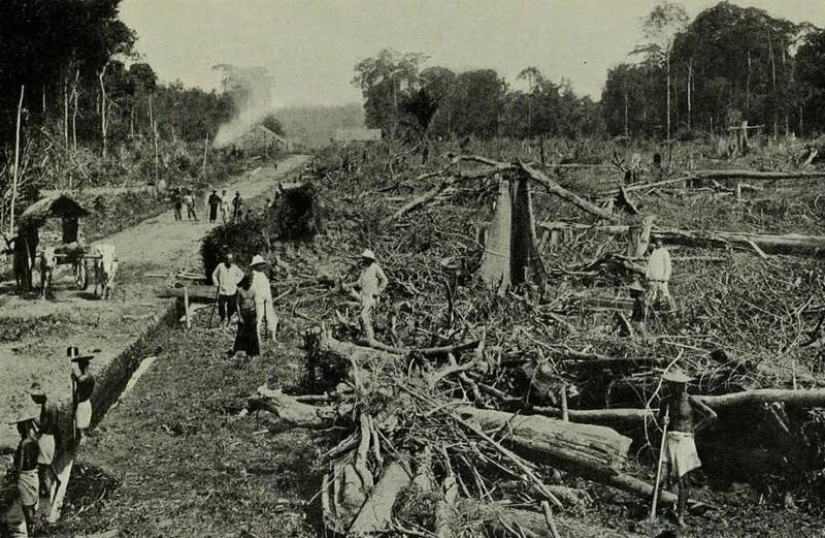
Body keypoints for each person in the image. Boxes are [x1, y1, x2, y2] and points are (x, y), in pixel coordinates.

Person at [658, 368, 717, 528]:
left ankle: (680, 517)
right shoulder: (666, 401)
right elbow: (660, 420)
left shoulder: (691, 400)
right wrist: (663, 421)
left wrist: (695, 429)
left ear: (684, 385)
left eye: (678, 384)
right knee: (660, 477)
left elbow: (712, 415)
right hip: (669, 439)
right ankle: (655, 511)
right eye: (672, 384)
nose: (674, 387)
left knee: (684, 481)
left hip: (685, 441)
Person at [29, 382, 59, 501]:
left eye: (33, 398)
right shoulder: (52, 404)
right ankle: (57, 480)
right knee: (47, 463)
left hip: (46, 438)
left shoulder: (46, 408)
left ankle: (46, 492)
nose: (33, 400)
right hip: (50, 437)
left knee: (42, 468)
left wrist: (33, 419)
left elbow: (43, 427)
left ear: (39, 397)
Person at [11, 413, 39, 536]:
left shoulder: (24, 443)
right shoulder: (35, 441)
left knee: (26, 506)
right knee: (31, 505)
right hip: (34, 474)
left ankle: (30, 530)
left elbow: (21, 463)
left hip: (25, 476)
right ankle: (32, 528)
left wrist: (15, 476)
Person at [354, 249, 388, 343]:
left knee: (364, 316)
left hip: (372, 297)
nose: (363, 259)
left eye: (365, 258)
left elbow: (385, 280)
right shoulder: (364, 268)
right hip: (363, 296)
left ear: (370, 259)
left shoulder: (375, 267)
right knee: (362, 319)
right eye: (363, 258)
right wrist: (347, 285)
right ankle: (366, 337)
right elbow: (359, 282)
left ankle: (371, 339)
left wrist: (378, 291)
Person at [69, 347, 95, 443]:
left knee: (81, 430)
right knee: (85, 427)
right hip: (87, 402)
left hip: (82, 405)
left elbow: (78, 395)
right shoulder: (89, 376)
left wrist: (74, 408)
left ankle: (81, 444)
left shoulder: (83, 379)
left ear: (81, 365)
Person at [250, 254, 278, 343]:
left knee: (272, 318)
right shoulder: (254, 276)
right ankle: (258, 339)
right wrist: (262, 297)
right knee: (259, 319)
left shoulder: (262, 274)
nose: (262, 266)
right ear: (256, 266)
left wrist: (268, 297)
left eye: (262, 264)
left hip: (267, 300)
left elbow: (266, 287)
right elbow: (254, 289)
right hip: (260, 301)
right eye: (260, 265)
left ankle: (273, 338)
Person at [212, 251, 244, 327]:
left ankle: (229, 320)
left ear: (232, 260)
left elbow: (241, 275)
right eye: (227, 259)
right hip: (222, 290)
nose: (229, 261)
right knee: (221, 306)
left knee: (231, 307)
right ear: (225, 259)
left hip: (232, 291)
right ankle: (222, 319)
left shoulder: (234, 267)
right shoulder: (220, 266)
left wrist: (235, 282)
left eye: (231, 259)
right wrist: (217, 284)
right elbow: (214, 275)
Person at [645, 236, 676, 313]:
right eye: (656, 241)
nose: (657, 242)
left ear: (662, 242)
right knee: (652, 296)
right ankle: (654, 312)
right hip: (653, 279)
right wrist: (648, 274)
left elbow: (668, 266)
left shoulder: (664, 252)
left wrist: (665, 277)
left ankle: (673, 311)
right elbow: (650, 265)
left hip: (661, 279)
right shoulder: (654, 252)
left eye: (659, 241)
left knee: (665, 294)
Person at [233, 274, 260, 357]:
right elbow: (237, 304)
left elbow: (256, 303)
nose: (249, 284)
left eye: (251, 282)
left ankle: (253, 352)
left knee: (253, 332)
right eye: (248, 282)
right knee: (241, 332)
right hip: (243, 313)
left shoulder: (253, 290)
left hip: (252, 313)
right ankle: (239, 350)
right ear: (244, 281)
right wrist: (240, 316)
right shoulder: (240, 290)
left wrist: (257, 316)